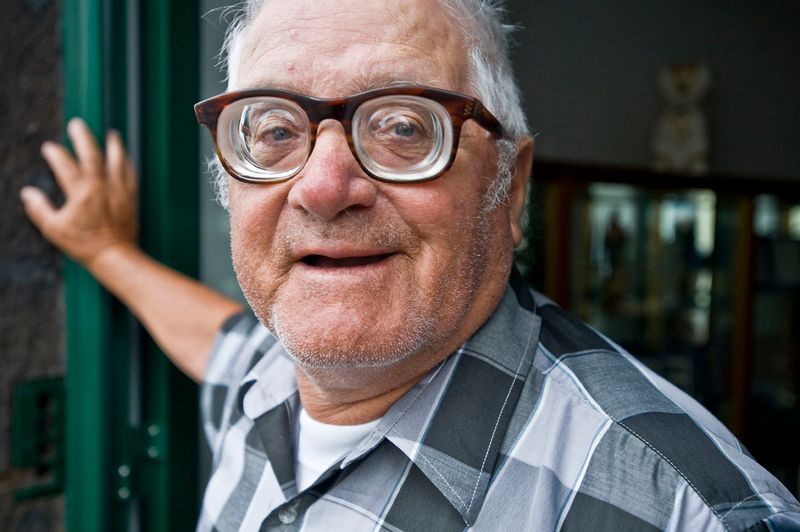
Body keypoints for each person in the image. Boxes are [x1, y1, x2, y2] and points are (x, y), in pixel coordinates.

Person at [20, 0, 800, 530]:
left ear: (511, 185)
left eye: (401, 128)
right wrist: (105, 251)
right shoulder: (267, 381)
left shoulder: (690, 510)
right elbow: (217, 341)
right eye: (275, 131)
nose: (323, 189)